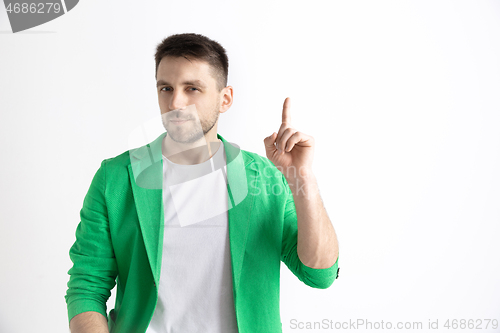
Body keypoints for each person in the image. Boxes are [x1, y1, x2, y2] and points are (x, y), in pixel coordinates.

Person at [65, 33, 340, 333]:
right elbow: (87, 287)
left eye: (192, 88)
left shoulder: (264, 178)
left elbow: (319, 274)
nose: (175, 103)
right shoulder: (117, 177)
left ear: (225, 99)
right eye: (165, 88)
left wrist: (303, 179)